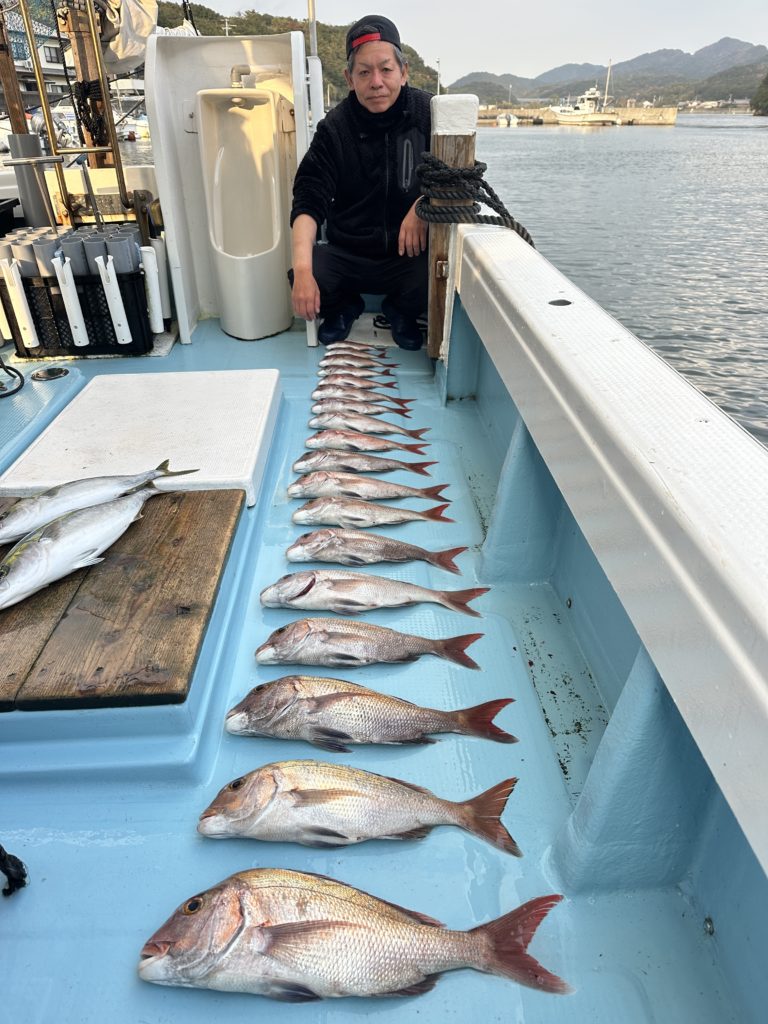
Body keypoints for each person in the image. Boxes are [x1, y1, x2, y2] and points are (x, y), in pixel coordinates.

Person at [289, 14, 431, 349]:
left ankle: (401, 310)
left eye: (386, 69)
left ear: (404, 71)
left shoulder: (428, 112)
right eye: (364, 72)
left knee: (441, 268)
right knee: (306, 271)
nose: (376, 82)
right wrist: (303, 271)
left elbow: (460, 176)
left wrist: (423, 205)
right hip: (349, 253)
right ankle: (344, 307)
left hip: (407, 254)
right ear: (349, 79)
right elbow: (309, 197)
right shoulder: (334, 128)